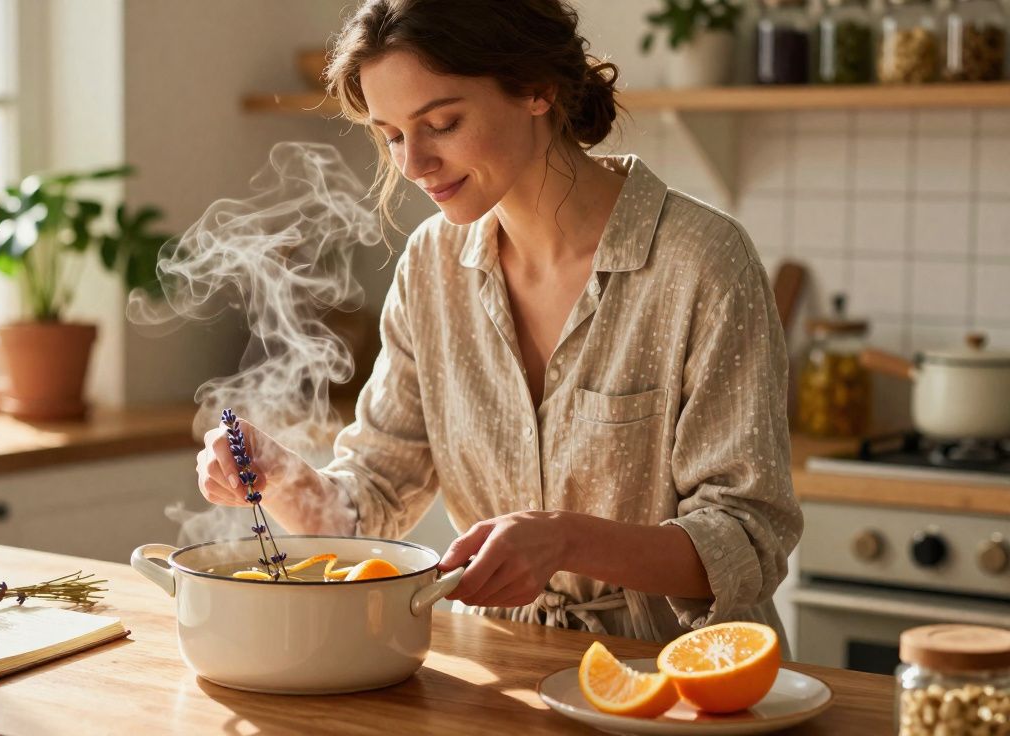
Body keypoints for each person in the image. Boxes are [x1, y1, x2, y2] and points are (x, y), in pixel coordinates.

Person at [195, 0, 802, 646]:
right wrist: (284, 478)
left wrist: (565, 539)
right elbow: (370, 503)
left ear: (537, 87)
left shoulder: (700, 261)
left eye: (443, 123)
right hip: (504, 667)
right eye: (393, 136)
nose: (412, 165)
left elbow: (747, 536)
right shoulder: (432, 267)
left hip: (684, 671)